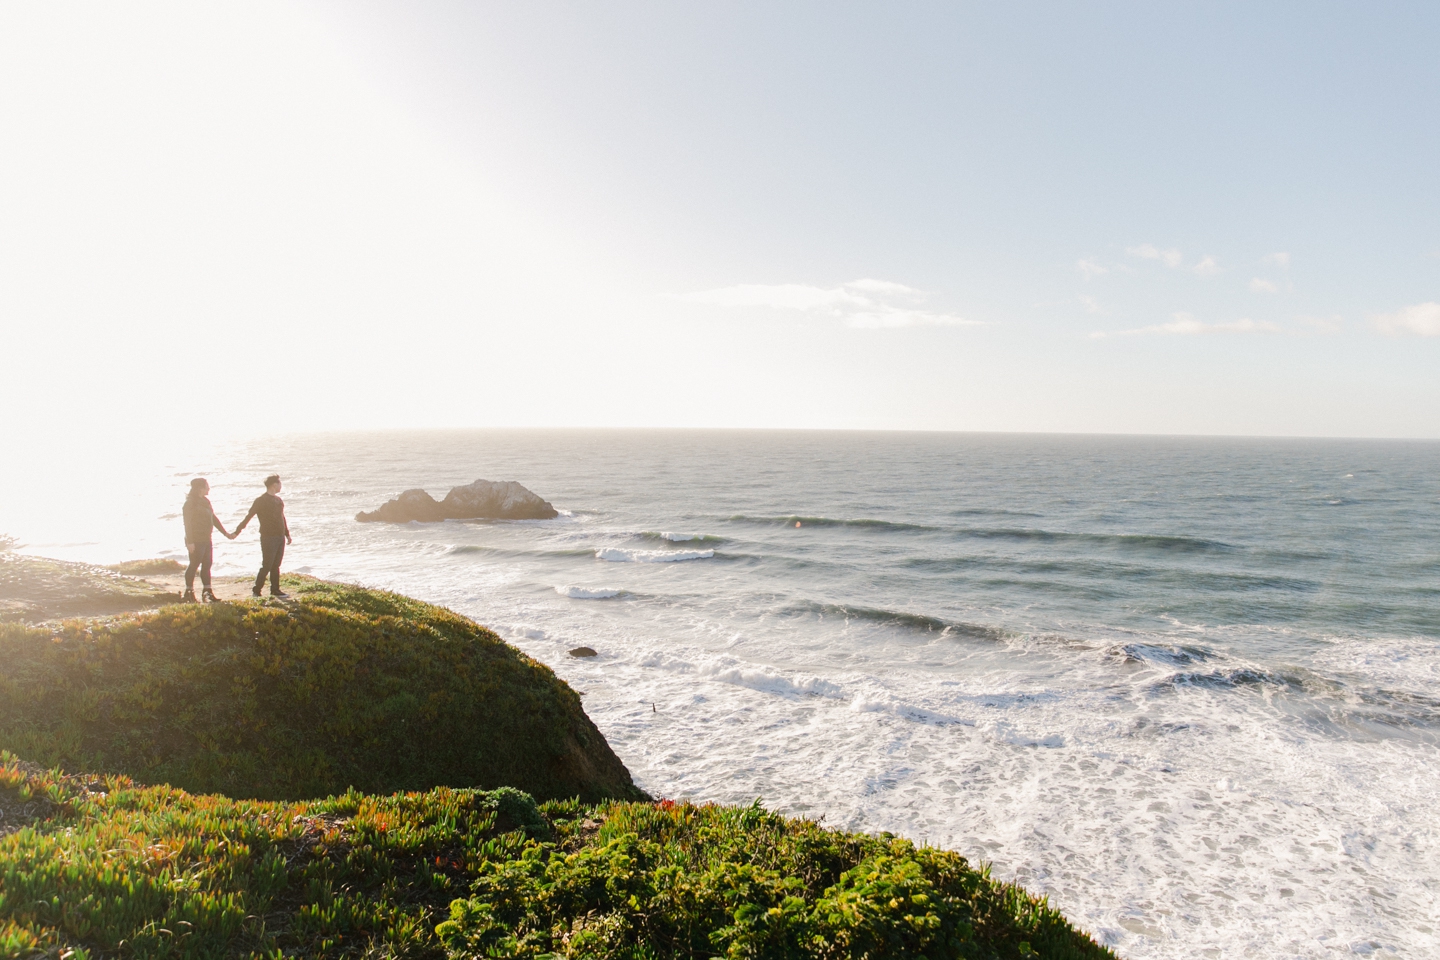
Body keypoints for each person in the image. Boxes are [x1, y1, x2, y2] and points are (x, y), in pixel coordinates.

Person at [234, 474, 293, 598]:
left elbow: (282, 518)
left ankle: (275, 590)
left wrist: (287, 534)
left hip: (280, 536)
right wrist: (237, 531)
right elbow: (249, 516)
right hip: (268, 537)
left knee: (276, 565)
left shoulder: (278, 500)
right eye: (279, 484)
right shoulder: (261, 500)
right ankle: (256, 590)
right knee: (267, 564)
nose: (281, 486)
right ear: (274, 485)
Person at [182, 478, 234, 602]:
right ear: (200, 488)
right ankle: (189, 593)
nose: (208, 488)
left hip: (206, 539)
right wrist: (190, 542)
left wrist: (225, 533)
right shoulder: (190, 503)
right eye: (206, 486)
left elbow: (213, 518)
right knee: (194, 565)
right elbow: (187, 523)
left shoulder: (205, 501)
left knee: (207, 565)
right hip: (195, 540)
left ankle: (207, 593)